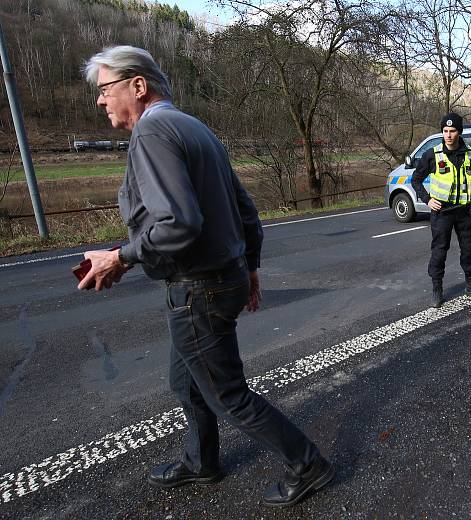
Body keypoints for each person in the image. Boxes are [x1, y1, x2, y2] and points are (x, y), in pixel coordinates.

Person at [78, 45, 333, 507]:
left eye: (104, 89)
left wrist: (120, 256)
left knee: (228, 395)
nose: (100, 101)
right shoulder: (196, 128)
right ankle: (202, 462)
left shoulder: (152, 132)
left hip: (199, 289)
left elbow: (180, 223)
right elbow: (246, 212)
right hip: (223, 278)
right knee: (186, 380)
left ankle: (307, 463)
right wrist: (250, 268)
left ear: (138, 86)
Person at [411, 112, 471, 308]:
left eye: (452, 131)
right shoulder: (433, 154)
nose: (448, 135)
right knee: (439, 251)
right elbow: (416, 179)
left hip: (465, 212)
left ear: (459, 132)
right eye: (445, 131)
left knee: (469, 249)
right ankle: (437, 289)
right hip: (442, 213)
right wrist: (428, 199)